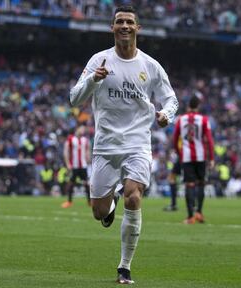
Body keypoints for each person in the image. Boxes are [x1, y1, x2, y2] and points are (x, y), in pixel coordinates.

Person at [69, 5, 178, 284]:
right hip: (105, 146)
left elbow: (171, 100)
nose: (125, 26)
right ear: (112, 28)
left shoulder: (150, 66)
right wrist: (93, 79)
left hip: (138, 144)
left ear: (138, 28)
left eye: (130, 21)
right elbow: (74, 99)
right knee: (99, 212)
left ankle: (124, 267)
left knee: (134, 195)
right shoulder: (99, 60)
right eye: (120, 22)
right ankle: (110, 203)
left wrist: (166, 115)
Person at [173, 95, 214, 224]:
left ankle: (191, 216)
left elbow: (175, 139)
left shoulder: (181, 119)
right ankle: (199, 213)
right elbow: (209, 140)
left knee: (189, 185)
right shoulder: (204, 119)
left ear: (188, 106)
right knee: (201, 183)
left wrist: (180, 153)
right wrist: (211, 158)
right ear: (198, 106)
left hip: (186, 157)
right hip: (201, 156)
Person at [61, 125, 91, 208]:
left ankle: (89, 201)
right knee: (71, 183)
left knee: (86, 184)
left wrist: (88, 159)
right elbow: (66, 152)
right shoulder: (71, 139)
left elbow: (88, 151)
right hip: (74, 165)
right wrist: (67, 164)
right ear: (77, 129)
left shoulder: (85, 140)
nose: (83, 131)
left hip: (83, 165)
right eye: (81, 129)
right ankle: (69, 201)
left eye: (84, 129)